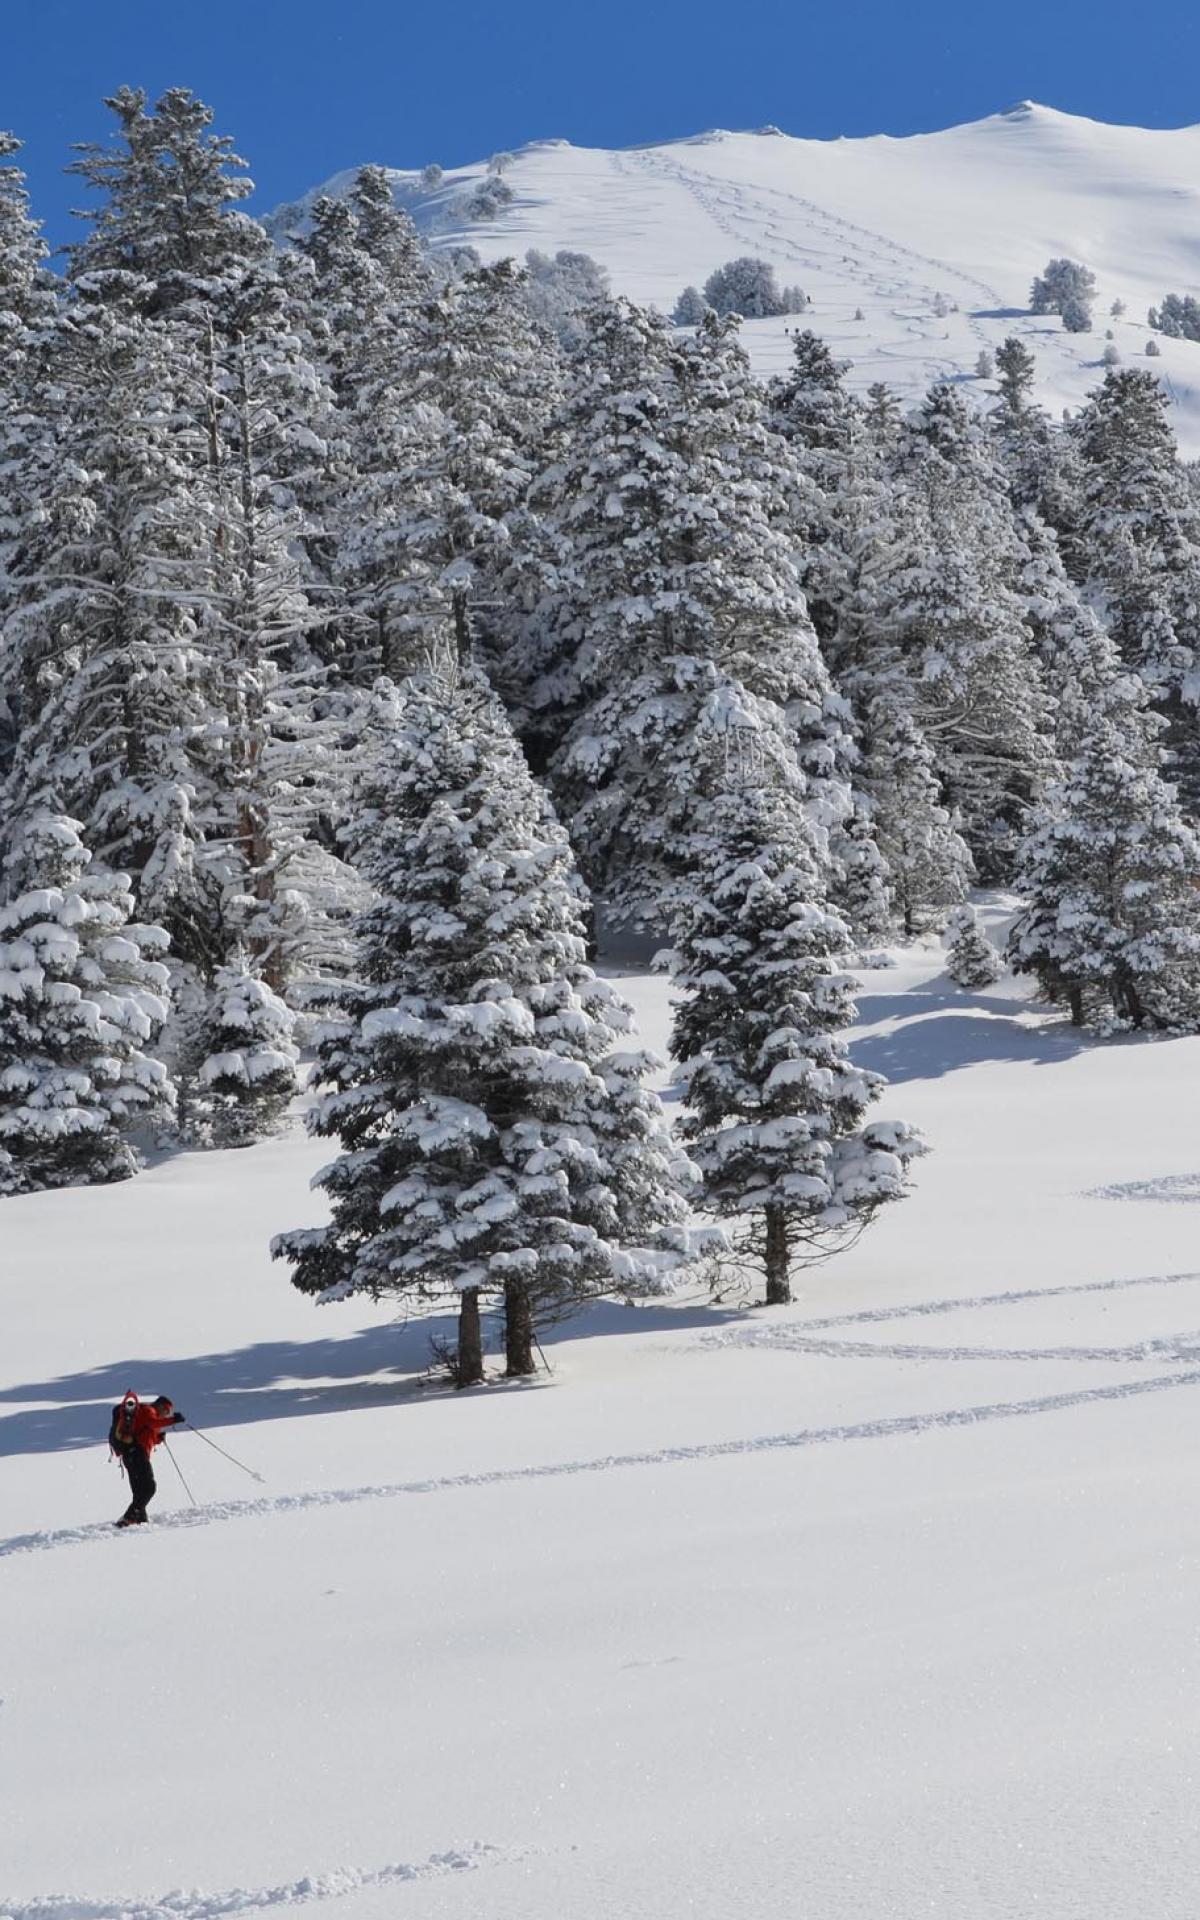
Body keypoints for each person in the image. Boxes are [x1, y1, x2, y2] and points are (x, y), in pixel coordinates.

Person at [114, 1395, 185, 1527]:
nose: (166, 1415)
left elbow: (147, 1433)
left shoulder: (147, 1415)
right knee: (149, 1488)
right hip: (137, 1454)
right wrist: (173, 1420)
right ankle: (128, 1518)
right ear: (161, 1406)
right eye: (166, 1411)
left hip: (130, 1455)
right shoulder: (148, 1410)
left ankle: (141, 1521)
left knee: (139, 1491)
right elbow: (152, 1423)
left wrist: (158, 1438)